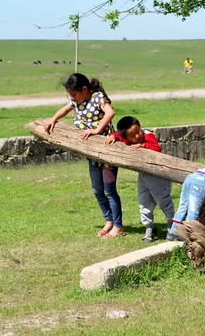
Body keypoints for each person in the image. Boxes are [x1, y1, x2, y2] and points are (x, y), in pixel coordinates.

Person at [44, 73, 124, 239]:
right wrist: (53, 119)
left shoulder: (97, 98)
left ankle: (118, 226)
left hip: (106, 149)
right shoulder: (76, 101)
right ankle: (108, 220)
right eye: (71, 95)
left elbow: (110, 113)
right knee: (97, 190)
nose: (73, 98)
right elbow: (65, 109)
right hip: (91, 153)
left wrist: (96, 130)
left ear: (85, 89)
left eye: (75, 94)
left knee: (109, 190)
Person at [105, 116, 175, 243]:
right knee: (143, 202)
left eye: (138, 131)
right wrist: (113, 136)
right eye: (132, 136)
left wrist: (143, 145)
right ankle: (149, 228)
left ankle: (172, 227)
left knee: (163, 200)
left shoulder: (148, 135)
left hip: (157, 174)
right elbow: (119, 136)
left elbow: (156, 148)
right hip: (143, 175)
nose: (137, 136)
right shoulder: (126, 137)